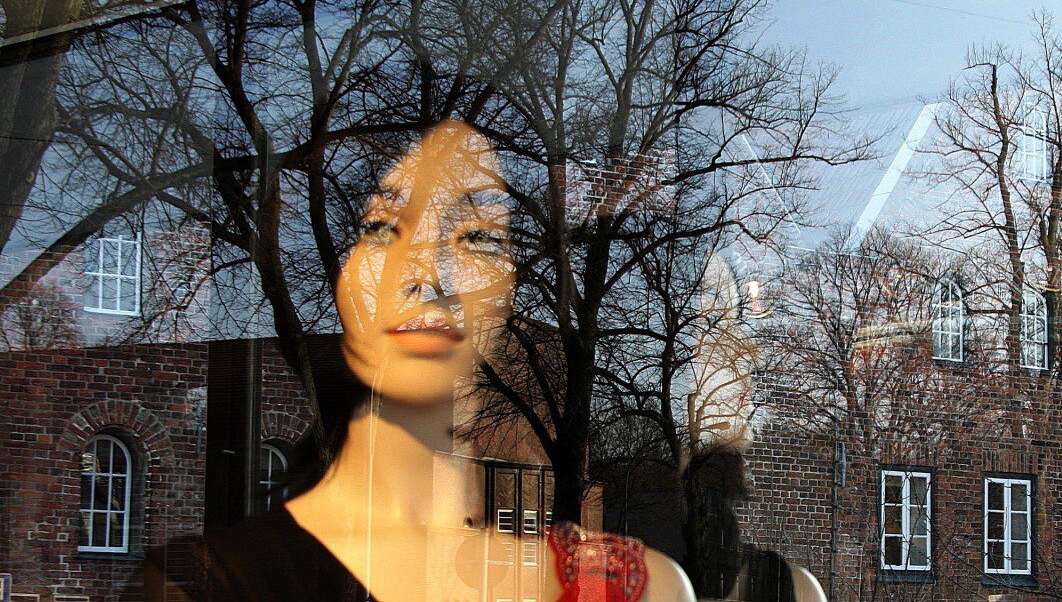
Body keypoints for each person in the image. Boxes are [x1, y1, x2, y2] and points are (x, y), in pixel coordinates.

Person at [122, 120, 695, 601]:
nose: (428, 273)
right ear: (344, 283)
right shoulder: (204, 584)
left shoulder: (631, 588)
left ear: (509, 291)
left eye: (477, 237)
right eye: (383, 229)